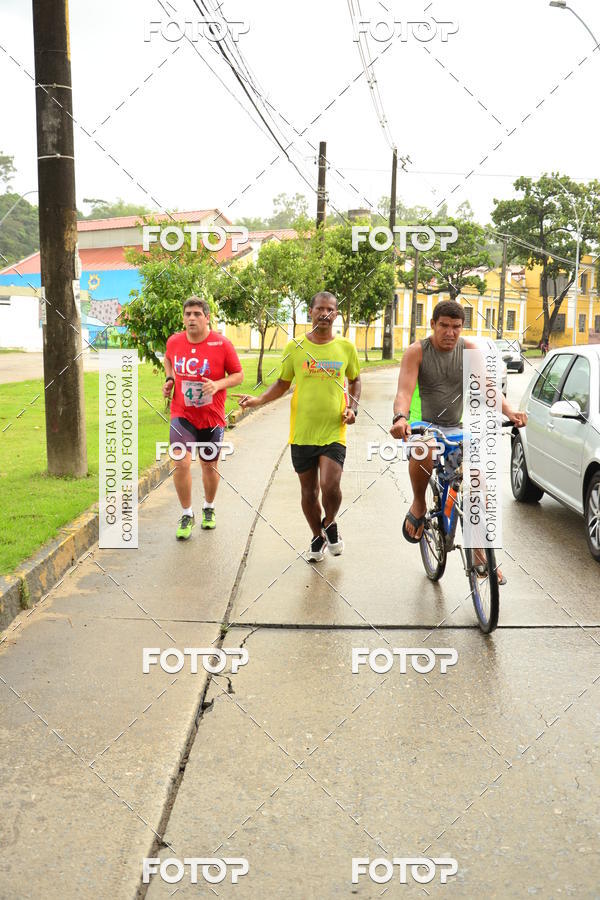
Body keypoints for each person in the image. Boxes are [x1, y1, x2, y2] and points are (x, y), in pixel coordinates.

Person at [390, 299, 527, 584]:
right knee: (423, 447)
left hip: (457, 427)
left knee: (478, 482)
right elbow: (404, 392)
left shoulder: (470, 350)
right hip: (422, 424)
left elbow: (490, 389)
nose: (450, 333)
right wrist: (400, 419)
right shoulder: (417, 351)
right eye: (444, 326)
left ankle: (480, 555)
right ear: (432, 325)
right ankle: (418, 503)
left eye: (456, 327)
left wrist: (510, 411)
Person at [236, 291, 361, 561]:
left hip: (333, 430)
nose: (324, 314)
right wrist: (258, 400)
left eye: (330, 309)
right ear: (311, 312)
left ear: (336, 314)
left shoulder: (346, 348)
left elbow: (355, 379)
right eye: (320, 309)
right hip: (301, 432)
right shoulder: (294, 347)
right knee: (308, 492)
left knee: (330, 485)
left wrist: (353, 407)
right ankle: (318, 536)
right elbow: (282, 383)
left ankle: (330, 522)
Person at [163, 296, 243, 539]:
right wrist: (169, 379)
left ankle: (208, 508)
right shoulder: (175, 341)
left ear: (207, 318)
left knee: (209, 466)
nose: (191, 318)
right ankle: (187, 513)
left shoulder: (222, 344)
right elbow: (168, 359)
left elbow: (238, 375)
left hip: (211, 417)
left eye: (197, 314)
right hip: (182, 413)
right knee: (181, 462)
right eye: (188, 314)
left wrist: (218, 384)